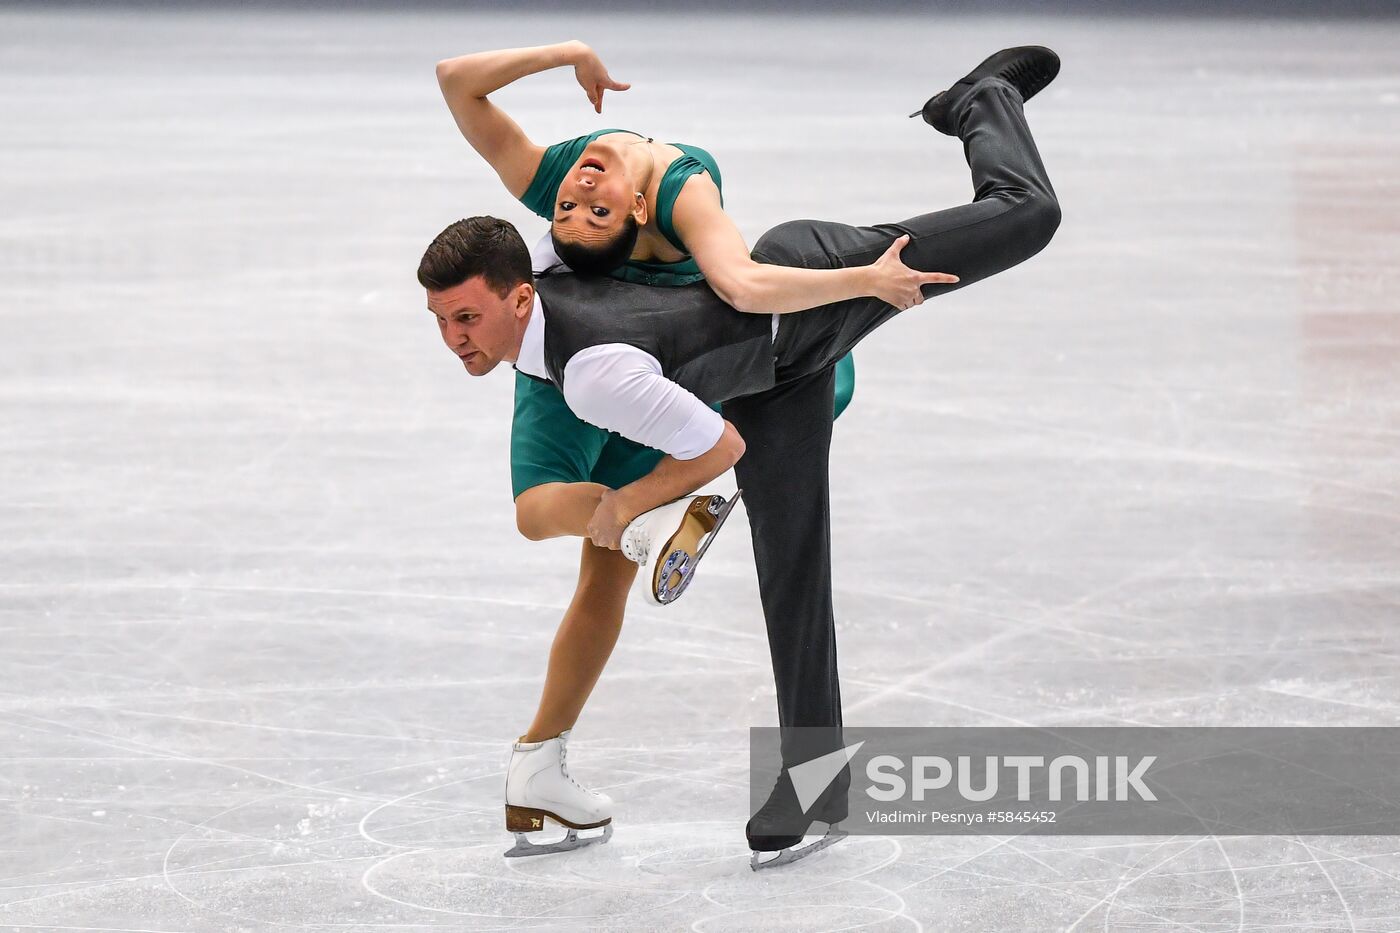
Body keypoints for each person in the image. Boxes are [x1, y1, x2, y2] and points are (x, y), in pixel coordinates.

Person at [422, 46, 1062, 866]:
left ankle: (982, 100)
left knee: (1027, 213)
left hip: (809, 285)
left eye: (465, 322)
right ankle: (817, 780)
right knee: (790, 556)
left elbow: (743, 313)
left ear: (644, 206)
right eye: (445, 323)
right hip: (762, 377)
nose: (577, 202)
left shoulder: (623, 307)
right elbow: (463, 101)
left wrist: (868, 279)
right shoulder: (543, 250)